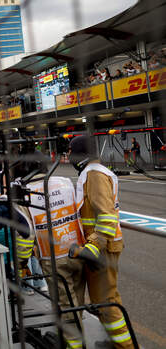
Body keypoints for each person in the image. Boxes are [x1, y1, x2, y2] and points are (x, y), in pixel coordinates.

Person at [11, 154, 86, 348]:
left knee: (66, 308)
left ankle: (74, 345)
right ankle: (71, 339)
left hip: (53, 258)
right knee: (76, 303)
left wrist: (19, 263)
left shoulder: (24, 194)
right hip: (79, 250)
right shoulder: (64, 181)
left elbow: (26, 237)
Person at [68, 135, 133, 348]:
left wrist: (94, 246)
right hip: (100, 246)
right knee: (104, 301)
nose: (68, 155)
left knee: (107, 303)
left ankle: (126, 346)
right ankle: (115, 342)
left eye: (70, 151)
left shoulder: (94, 174)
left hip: (101, 248)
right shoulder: (92, 172)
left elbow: (106, 215)